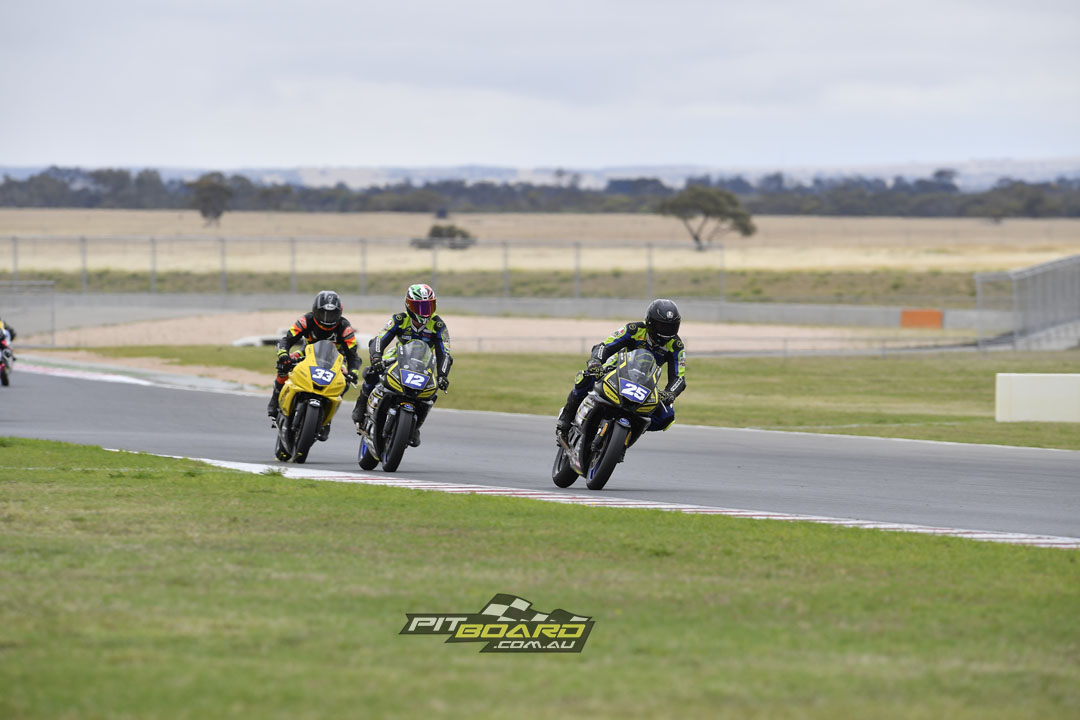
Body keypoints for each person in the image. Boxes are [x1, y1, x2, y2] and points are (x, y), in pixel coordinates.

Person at [555, 298, 686, 442]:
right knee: (586, 377)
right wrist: (595, 362)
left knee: (667, 415)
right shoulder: (634, 329)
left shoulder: (676, 345)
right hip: (615, 370)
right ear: (650, 322)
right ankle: (565, 420)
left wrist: (670, 393)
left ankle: (628, 434)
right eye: (662, 326)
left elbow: (678, 377)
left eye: (671, 327)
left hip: (645, 382)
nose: (666, 332)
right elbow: (605, 346)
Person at [350, 283, 452, 447]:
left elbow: (445, 352)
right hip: (398, 356)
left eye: (428, 306)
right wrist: (376, 358)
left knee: (432, 390)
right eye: (420, 307)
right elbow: (379, 339)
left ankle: (415, 426)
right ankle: (361, 407)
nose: (424, 311)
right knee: (371, 372)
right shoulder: (399, 319)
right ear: (409, 306)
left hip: (424, 363)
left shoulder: (438, 325)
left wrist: (443, 375)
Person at [268, 290, 361, 441]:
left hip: (335, 359)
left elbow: (353, 356)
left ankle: (327, 419)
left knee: (344, 382)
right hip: (306, 352)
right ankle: (274, 400)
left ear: (339, 313)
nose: (327, 318)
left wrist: (353, 372)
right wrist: (283, 354)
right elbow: (286, 340)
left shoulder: (345, 328)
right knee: (285, 364)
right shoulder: (306, 320)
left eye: (332, 314)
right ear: (315, 311)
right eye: (323, 313)